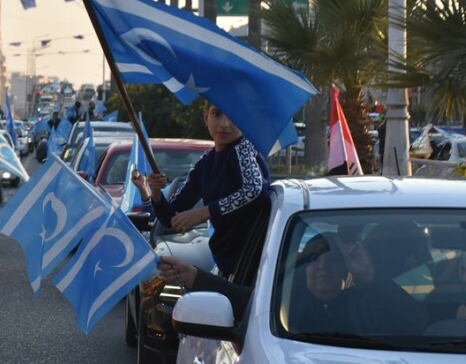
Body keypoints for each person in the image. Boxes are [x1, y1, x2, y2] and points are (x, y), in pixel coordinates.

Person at [158, 231, 428, 336]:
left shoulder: (366, 303)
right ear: (303, 268)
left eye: (332, 261)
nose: (323, 266)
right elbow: (241, 300)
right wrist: (193, 276)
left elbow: (413, 319)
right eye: (313, 259)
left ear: (347, 271)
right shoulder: (281, 306)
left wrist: (371, 277)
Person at [139, 102, 270, 278]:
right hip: (227, 267)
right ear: (205, 116)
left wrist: (204, 213)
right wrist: (155, 192)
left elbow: (254, 190)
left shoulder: (245, 149)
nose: (225, 124)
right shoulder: (206, 162)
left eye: (234, 116)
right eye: (217, 114)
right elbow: (171, 218)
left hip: (257, 267)